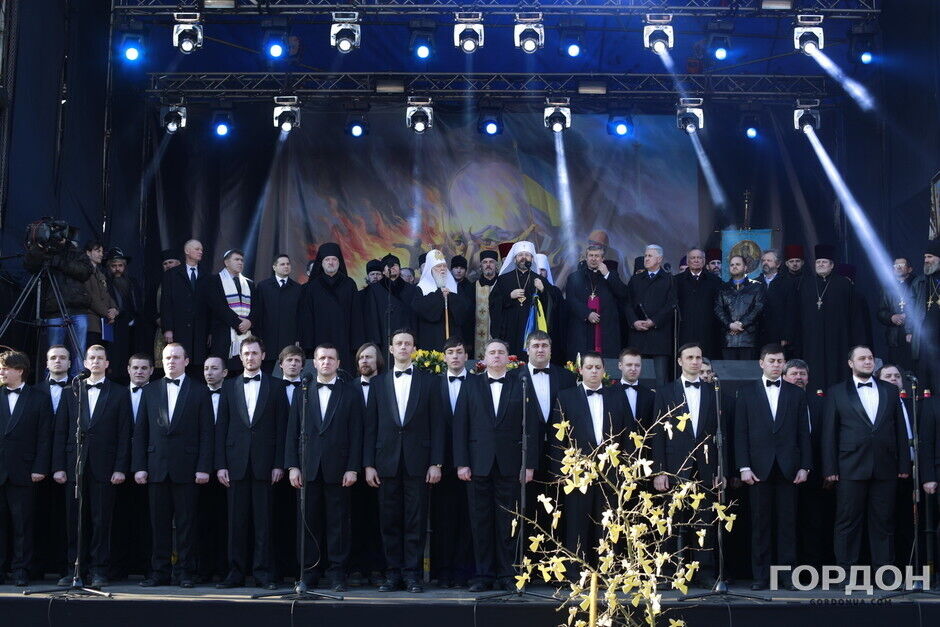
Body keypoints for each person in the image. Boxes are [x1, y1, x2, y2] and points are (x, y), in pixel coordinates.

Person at [362, 329, 443, 593]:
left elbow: (437, 424)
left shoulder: (429, 381)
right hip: (385, 462)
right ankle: (392, 574)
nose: (403, 347)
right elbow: (370, 427)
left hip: (418, 462)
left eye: (408, 343)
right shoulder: (378, 383)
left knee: (416, 522)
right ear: (391, 349)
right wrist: (368, 464)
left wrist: (436, 462)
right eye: (399, 343)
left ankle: (412, 575)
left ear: (414, 349)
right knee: (389, 521)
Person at [454, 338, 538, 593]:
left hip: (510, 465)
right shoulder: (471, 385)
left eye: (501, 352)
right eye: (492, 352)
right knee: (480, 522)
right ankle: (483, 575)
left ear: (509, 358)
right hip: (478, 464)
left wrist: (529, 465)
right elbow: (460, 426)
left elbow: (532, 426)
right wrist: (462, 463)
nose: (497, 356)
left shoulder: (521, 384)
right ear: (484, 358)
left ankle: (508, 574)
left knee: (508, 522)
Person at [821, 346, 911, 572]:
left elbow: (900, 429)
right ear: (851, 363)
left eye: (870, 358)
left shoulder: (890, 390)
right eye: (862, 358)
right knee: (847, 522)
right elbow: (829, 433)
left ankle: (885, 572)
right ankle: (845, 573)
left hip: (885, 466)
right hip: (849, 466)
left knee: (884, 521)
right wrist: (830, 468)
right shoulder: (837, 392)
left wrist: (903, 464)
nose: (868, 361)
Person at [132, 343, 214, 588]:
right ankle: (159, 572)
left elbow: (207, 433)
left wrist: (204, 467)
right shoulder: (150, 390)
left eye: (176, 357)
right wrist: (140, 466)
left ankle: (186, 573)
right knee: (158, 524)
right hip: (156, 467)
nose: (171, 361)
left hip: (188, 469)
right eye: (167, 357)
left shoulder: (200, 391)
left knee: (187, 525)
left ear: (186, 361)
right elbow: (141, 431)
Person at [51, 344, 132, 588]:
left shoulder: (119, 393)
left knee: (101, 520)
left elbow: (124, 432)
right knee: (73, 520)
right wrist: (58, 466)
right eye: (92, 358)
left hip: (105, 466)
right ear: (85, 363)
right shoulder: (71, 391)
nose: (95, 361)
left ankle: (99, 570)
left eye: (100, 358)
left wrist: (120, 467)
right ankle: (74, 568)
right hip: (75, 464)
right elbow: (60, 431)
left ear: (107, 363)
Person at [286, 343, 362, 591]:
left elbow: (357, 433)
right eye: (322, 358)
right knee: (308, 522)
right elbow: (292, 431)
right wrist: (292, 466)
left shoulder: (350, 393)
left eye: (331, 358)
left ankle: (338, 573)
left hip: (339, 468)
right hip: (308, 467)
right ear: (314, 363)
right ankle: (309, 572)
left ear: (338, 363)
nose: (326, 362)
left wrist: (353, 467)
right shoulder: (302, 391)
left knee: (338, 523)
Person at [734, 344, 810, 590]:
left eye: (780, 361)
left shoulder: (796, 393)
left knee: (788, 524)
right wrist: (743, 466)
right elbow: (740, 433)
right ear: (761, 363)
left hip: (789, 468)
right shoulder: (746, 392)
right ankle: (761, 576)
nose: (776, 365)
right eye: (772, 361)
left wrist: (805, 466)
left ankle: (787, 577)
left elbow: (803, 433)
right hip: (758, 468)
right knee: (760, 525)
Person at [214, 337, 287, 589]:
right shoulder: (228, 386)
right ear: (240, 357)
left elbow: (282, 428)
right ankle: (235, 573)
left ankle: (263, 573)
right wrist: (221, 464)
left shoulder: (276, 387)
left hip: (265, 465)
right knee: (236, 522)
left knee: (264, 523)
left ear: (263, 356)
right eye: (246, 353)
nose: (250, 357)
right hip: (235, 464)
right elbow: (221, 427)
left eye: (254, 353)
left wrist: (279, 464)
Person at [651, 343, 725, 586]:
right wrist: (659, 470)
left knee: (704, 522)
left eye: (698, 357)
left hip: (706, 467)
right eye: (690, 357)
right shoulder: (665, 392)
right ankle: (667, 572)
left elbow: (721, 433)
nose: (695, 361)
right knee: (670, 522)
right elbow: (657, 434)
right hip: (674, 466)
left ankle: (704, 573)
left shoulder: (713, 391)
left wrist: (720, 470)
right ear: (680, 361)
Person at [550, 352, 629, 573]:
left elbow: (628, 433)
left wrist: (626, 469)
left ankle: (608, 572)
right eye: (589, 367)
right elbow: (557, 439)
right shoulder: (566, 397)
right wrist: (560, 472)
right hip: (577, 473)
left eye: (597, 367)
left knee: (608, 523)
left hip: (611, 471)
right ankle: (577, 573)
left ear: (604, 371)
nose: (594, 371)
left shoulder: (618, 396)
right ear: (581, 370)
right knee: (577, 522)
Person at [0, 350, 52, 586]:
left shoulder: (38, 398)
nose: (1, 372)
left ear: (19, 370)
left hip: (24, 470)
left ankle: (21, 570)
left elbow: (44, 437)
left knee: (23, 524)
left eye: (5, 368)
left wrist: (39, 467)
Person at [432, 337, 475, 587]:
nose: (456, 356)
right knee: (443, 518)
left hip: (471, 462)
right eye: (451, 352)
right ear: (444, 357)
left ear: (466, 357)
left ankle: (463, 572)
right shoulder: (434, 384)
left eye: (460, 352)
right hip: (442, 463)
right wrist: (435, 461)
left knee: (468, 519)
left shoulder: (478, 383)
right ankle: (442, 572)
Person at [782, 358, 834, 567]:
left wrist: (828, 470)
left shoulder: (821, 403)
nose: (798, 377)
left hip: (815, 473)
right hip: (784, 473)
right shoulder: (777, 401)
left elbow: (828, 439)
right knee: (787, 523)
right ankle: (787, 569)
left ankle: (811, 570)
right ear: (784, 377)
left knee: (813, 522)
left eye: (802, 374)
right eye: (794, 373)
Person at [797, 244, 865, 392]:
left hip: (838, 339)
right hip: (812, 340)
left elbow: (854, 315)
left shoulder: (843, 284)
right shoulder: (806, 284)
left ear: (832, 265)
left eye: (824, 262)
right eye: (818, 262)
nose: (820, 264)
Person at [111, 353, 155, 581]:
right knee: (118, 518)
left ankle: (148, 566)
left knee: (147, 519)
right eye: (135, 367)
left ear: (151, 371)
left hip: (148, 466)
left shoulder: (158, 393)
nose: (139, 372)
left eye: (144, 368)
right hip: (117, 466)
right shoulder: (116, 394)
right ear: (128, 369)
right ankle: (118, 566)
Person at [32, 346, 72, 580]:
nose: (58, 361)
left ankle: (65, 566)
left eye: (62, 358)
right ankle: (37, 566)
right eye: (53, 358)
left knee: (65, 518)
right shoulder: (34, 391)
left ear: (70, 363)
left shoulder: (78, 390)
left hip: (66, 464)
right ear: (46, 363)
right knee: (37, 516)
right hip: (36, 464)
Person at [349, 342, 385, 586]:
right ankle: (356, 567)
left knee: (380, 518)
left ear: (378, 361)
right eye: (361, 357)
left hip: (380, 464)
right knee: (354, 517)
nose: (364, 361)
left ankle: (378, 568)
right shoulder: (348, 388)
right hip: (352, 464)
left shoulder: (387, 386)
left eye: (369, 357)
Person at [877, 364, 918, 568]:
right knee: (885, 520)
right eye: (888, 376)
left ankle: (908, 565)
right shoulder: (877, 405)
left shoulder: (913, 405)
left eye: (897, 376)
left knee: (908, 520)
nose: (894, 379)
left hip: (912, 470)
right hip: (886, 470)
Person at [300, 242, 363, 367]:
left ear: (339, 262)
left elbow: (356, 316)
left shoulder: (349, 284)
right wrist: (307, 345)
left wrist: (356, 344)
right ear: (321, 263)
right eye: (327, 259)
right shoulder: (311, 287)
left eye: (334, 259)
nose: (331, 262)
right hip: (318, 341)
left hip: (344, 340)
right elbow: (306, 319)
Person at [196, 355, 228, 584]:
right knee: (202, 520)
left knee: (225, 521)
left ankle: (224, 568)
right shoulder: (196, 394)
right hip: (200, 468)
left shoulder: (232, 394)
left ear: (224, 372)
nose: (209, 372)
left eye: (215, 368)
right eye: (206, 368)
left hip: (226, 468)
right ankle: (203, 569)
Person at [564, 244, 628, 359]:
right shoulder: (575, 277)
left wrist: (607, 274)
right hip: (582, 327)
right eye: (591, 255)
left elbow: (623, 293)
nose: (593, 259)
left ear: (603, 259)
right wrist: (587, 313)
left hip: (605, 327)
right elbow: (571, 299)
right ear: (586, 258)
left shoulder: (611, 275)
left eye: (597, 256)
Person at [489, 241, 551, 357]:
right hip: (509, 328)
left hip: (532, 328)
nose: (524, 258)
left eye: (527, 255)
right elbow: (493, 303)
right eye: (520, 255)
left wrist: (543, 290)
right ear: (514, 259)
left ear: (532, 259)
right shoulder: (503, 279)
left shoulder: (539, 279)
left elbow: (550, 304)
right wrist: (509, 297)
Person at [625, 245, 676, 385]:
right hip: (638, 335)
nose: (646, 259)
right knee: (636, 379)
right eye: (646, 255)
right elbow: (627, 304)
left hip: (659, 337)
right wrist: (634, 321)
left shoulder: (669, 279)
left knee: (660, 380)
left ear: (659, 259)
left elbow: (671, 305)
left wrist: (654, 321)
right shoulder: (636, 279)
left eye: (650, 256)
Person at [160, 239, 209, 373]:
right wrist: (168, 329)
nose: (200, 252)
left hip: (200, 329)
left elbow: (209, 305)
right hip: (179, 327)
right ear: (187, 251)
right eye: (197, 249)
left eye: (201, 249)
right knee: (180, 361)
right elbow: (166, 303)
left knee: (198, 365)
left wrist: (210, 331)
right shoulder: (172, 274)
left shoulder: (206, 274)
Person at [411, 250, 472, 351]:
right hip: (431, 337)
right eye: (438, 266)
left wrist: (450, 297)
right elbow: (420, 309)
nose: (442, 269)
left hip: (453, 336)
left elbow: (465, 308)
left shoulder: (454, 286)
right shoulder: (421, 288)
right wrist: (439, 295)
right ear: (430, 269)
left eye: (444, 266)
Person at [252, 254, 302, 373]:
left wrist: (298, 338)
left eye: (288, 264)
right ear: (274, 267)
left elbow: (300, 316)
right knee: (267, 374)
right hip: (267, 341)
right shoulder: (263, 286)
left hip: (289, 340)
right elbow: (257, 313)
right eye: (282, 264)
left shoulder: (297, 288)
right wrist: (258, 337)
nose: (286, 266)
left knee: (287, 373)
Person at [207, 249, 254, 371]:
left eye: (242, 260)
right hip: (223, 333)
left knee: (242, 370)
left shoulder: (249, 283)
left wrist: (249, 321)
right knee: (223, 370)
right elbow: (218, 306)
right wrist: (238, 323)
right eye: (236, 259)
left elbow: (256, 307)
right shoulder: (214, 281)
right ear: (226, 262)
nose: (240, 262)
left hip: (245, 333)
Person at [360, 254, 417, 351]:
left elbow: (414, 316)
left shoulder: (411, 289)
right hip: (383, 337)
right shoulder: (374, 289)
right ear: (383, 271)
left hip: (406, 337)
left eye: (395, 265)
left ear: (399, 269)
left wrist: (414, 339)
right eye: (388, 265)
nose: (392, 267)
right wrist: (375, 342)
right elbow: (372, 316)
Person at [714, 255, 765, 361]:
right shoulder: (722, 288)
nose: (734, 267)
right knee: (728, 370)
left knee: (747, 370)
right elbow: (718, 309)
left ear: (745, 267)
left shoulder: (756, 287)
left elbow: (758, 308)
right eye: (732, 265)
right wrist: (730, 325)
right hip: (728, 339)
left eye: (738, 264)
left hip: (749, 339)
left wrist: (741, 324)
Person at [675, 248, 723, 360]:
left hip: (708, 331)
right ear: (688, 261)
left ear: (704, 261)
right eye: (693, 258)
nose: (696, 260)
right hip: (684, 330)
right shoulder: (677, 281)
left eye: (699, 258)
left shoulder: (715, 281)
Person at [104, 248, 143, 382]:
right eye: (113, 266)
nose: (117, 269)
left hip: (132, 327)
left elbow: (138, 305)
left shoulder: (132, 282)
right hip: (114, 326)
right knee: (115, 361)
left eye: (120, 265)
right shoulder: (105, 283)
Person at [908, 242, 940, 396]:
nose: (926, 260)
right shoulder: (919, 282)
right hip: (925, 341)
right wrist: (909, 330)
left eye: (930, 257)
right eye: (925, 257)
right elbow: (910, 309)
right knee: (926, 386)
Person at [876, 258, 915, 372]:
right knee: (896, 370)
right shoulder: (887, 287)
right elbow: (881, 312)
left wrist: (909, 316)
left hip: (914, 335)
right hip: (894, 337)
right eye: (895, 265)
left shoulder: (917, 283)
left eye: (901, 264)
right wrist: (891, 317)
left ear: (910, 269)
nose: (898, 267)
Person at [756, 250, 797, 351]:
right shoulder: (755, 282)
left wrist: (786, 336)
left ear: (778, 264)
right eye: (763, 260)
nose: (765, 263)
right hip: (758, 334)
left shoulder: (787, 283)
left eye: (769, 260)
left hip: (778, 334)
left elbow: (791, 311)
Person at [82, 241, 119, 350]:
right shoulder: (83, 271)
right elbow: (90, 297)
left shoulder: (100, 273)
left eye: (102, 252)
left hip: (104, 324)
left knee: (103, 353)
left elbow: (107, 294)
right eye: (98, 251)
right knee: (92, 353)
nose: (101, 254)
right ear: (88, 253)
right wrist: (107, 314)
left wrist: (114, 309)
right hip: (91, 323)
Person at [612, 347, 656, 429]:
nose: (633, 369)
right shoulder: (609, 394)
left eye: (637, 365)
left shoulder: (650, 395)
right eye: (629, 365)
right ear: (620, 366)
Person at [473, 250, 500, 359]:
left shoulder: (503, 285)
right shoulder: (472, 287)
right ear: (481, 266)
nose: (488, 265)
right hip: (477, 335)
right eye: (485, 262)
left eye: (491, 262)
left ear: (496, 265)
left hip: (499, 334)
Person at [450, 255, 476, 354]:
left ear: (465, 271)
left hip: (466, 331)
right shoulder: (445, 286)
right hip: (450, 328)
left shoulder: (471, 287)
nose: (458, 271)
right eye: (456, 268)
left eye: (461, 268)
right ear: (451, 269)